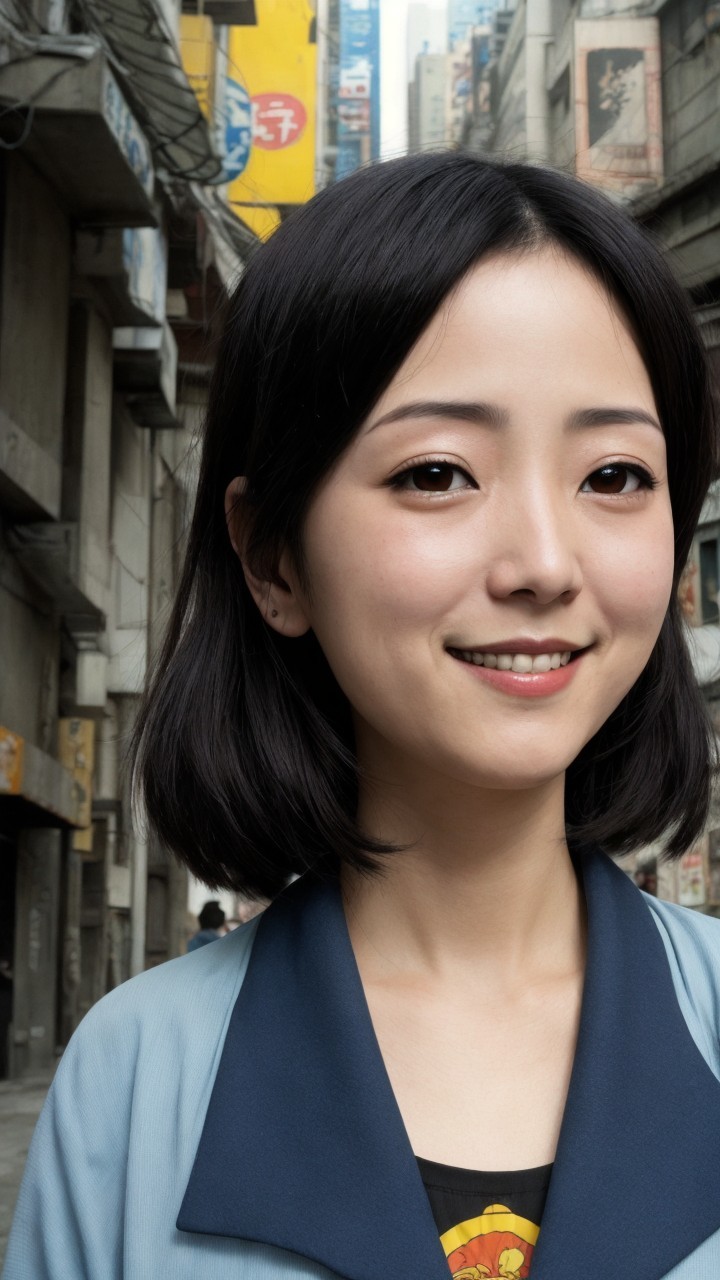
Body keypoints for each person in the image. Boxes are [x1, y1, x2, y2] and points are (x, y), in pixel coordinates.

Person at [4, 152, 720, 1280]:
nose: (543, 561)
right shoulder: (136, 1075)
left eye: (616, 476)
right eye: (438, 473)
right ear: (271, 554)